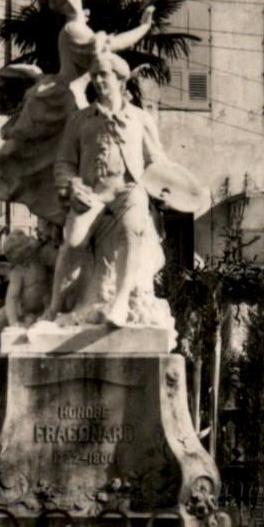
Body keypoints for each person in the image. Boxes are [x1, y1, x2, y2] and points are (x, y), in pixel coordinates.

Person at [0, 0, 155, 226]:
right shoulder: (74, 30)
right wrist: (143, 28)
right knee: (38, 149)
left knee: (57, 154)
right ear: (63, 4)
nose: (71, 2)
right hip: (62, 97)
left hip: (70, 95)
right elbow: (110, 46)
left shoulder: (79, 27)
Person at [44, 49, 168, 327]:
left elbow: (156, 161)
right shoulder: (79, 120)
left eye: (104, 75)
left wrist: (165, 190)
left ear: (120, 80)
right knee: (73, 241)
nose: (98, 81)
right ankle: (54, 308)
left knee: (132, 230)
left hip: (129, 190)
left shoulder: (140, 119)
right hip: (93, 192)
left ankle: (121, 303)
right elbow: (64, 162)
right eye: (95, 75)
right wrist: (72, 186)